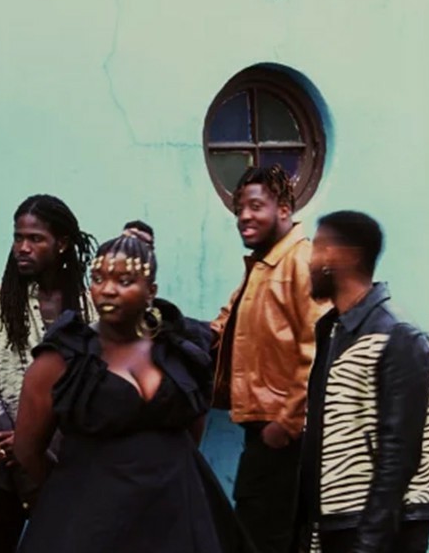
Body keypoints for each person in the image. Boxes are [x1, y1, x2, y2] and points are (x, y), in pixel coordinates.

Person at [13, 224, 252, 553]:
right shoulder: (64, 359)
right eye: (99, 279)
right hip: (93, 522)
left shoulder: (177, 352)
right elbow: (27, 449)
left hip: (176, 516)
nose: (108, 290)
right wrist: (71, 488)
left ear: (151, 291)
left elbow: (192, 428)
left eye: (124, 281)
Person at [297, 211, 429, 553]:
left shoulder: (397, 335)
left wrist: (369, 543)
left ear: (341, 257)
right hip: (336, 520)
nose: (310, 262)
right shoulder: (332, 331)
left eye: (317, 248)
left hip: (383, 528)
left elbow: (400, 454)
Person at [211, 166, 329, 553]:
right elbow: (222, 328)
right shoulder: (263, 267)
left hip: (285, 435)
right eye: (239, 209)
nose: (244, 216)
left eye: (255, 206)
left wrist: (288, 422)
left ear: (284, 210)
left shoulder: (300, 262)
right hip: (264, 429)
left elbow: (319, 347)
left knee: (261, 539)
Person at [0, 195, 97, 553]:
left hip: (66, 457)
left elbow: (92, 382)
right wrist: (18, 443)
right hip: (1, 458)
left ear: (61, 244)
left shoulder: (88, 306)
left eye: (35, 239)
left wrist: (40, 444)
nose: (23, 248)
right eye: (18, 238)